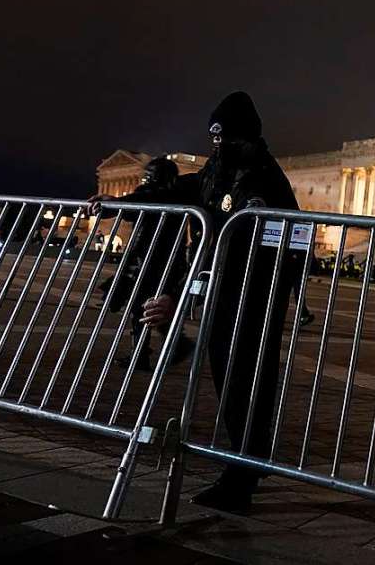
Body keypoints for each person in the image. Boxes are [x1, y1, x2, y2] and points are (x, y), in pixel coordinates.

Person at [96, 91, 299, 513]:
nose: (217, 146)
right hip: (226, 289)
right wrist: (120, 205)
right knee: (230, 377)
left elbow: (263, 243)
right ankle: (247, 462)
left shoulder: (263, 179)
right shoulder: (218, 173)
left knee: (247, 379)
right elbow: (175, 195)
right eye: (214, 138)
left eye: (224, 138)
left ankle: (242, 474)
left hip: (254, 294)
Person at [91, 156, 194, 372]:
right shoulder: (174, 195)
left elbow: (137, 205)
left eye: (148, 175)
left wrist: (112, 204)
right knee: (147, 306)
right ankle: (168, 347)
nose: (145, 179)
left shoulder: (160, 195)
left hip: (152, 261)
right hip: (160, 260)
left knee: (142, 306)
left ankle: (152, 352)